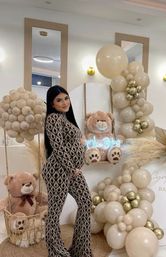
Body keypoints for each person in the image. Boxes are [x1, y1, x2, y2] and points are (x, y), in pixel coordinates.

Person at [42, 85, 92, 257]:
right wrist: (72, 169)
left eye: (66, 98)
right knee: (55, 212)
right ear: (52, 104)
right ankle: (56, 252)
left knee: (86, 202)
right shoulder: (53, 118)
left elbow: (70, 144)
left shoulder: (65, 118)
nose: (64, 102)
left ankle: (80, 248)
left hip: (71, 170)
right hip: (58, 170)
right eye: (59, 100)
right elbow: (58, 147)